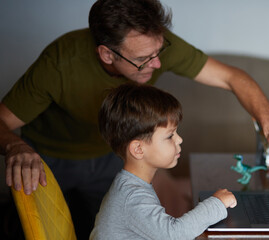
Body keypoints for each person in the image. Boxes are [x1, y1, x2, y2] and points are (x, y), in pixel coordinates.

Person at [0, 0, 269, 238]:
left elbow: (232, 77)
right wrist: (17, 147)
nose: (159, 63)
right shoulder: (58, 63)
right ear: (107, 54)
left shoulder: (153, 46)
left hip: (114, 153)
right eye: (143, 59)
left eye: (159, 50)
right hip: (52, 157)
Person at [90, 82, 237, 239]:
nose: (179, 140)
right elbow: (173, 233)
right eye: (170, 136)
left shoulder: (132, 185)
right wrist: (217, 204)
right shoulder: (132, 197)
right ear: (138, 149)